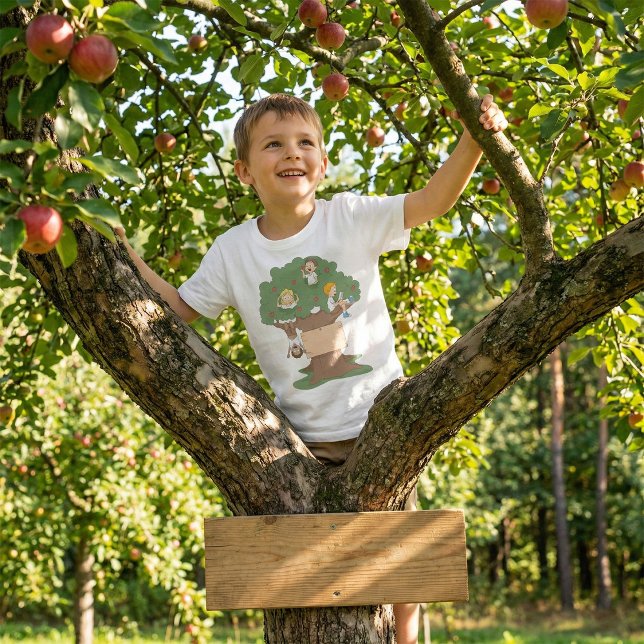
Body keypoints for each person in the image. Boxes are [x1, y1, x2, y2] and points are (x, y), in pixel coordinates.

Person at [117, 93, 507, 643]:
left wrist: (473, 140)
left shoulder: (349, 217)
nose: (291, 153)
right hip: (303, 445)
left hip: (383, 425)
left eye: (305, 143)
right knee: (309, 579)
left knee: (403, 560)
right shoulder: (233, 252)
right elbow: (177, 310)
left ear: (323, 164)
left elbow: (432, 201)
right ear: (245, 170)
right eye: (273, 144)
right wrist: (124, 253)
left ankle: (407, 641)